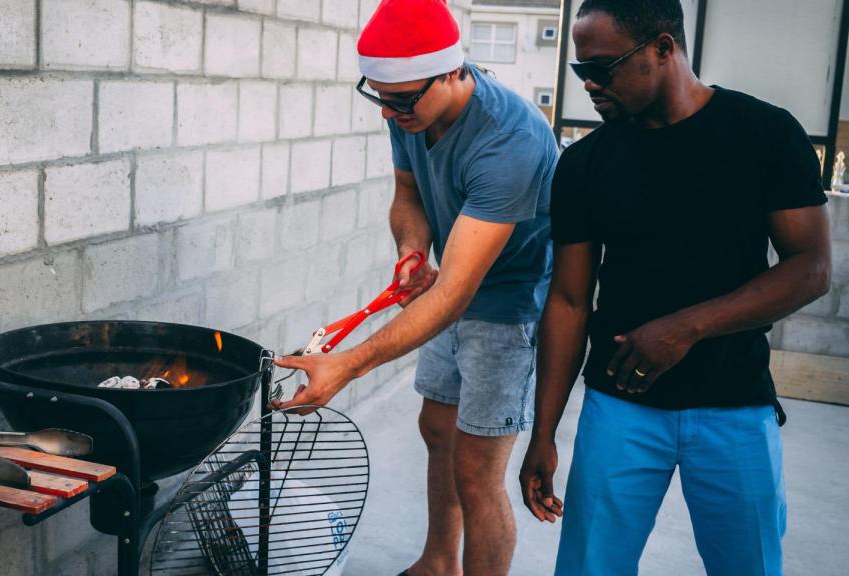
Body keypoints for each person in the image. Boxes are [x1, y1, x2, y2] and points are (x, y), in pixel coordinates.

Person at [517, 1, 832, 575]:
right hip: (620, 408)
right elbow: (568, 301)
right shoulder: (585, 163)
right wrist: (544, 432)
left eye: (603, 67)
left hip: (735, 405)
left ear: (664, 49)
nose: (589, 83)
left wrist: (686, 328)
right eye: (580, 69)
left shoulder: (764, 133)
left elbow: (810, 267)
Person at [273, 1, 558, 573]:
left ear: (452, 71)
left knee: (477, 471)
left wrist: (348, 364)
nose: (387, 112)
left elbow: (453, 295)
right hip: (454, 285)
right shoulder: (410, 111)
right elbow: (408, 196)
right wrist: (412, 250)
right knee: (437, 430)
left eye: (400, 99)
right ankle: (438, 562)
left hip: (508, 307)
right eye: (378, 97)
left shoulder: (510, 140)